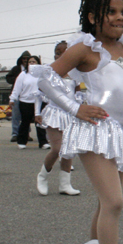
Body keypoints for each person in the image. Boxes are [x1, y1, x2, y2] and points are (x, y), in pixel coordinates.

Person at [36, 0, 123, 244]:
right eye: (112, 12)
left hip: (119, 132)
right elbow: (46, 79)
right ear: (94, 17)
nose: (121, 17)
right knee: (114, 202)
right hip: (95, 129)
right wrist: (75, 108)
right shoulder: (85, 47)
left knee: (105, 202)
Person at [33, 41, 80, 196]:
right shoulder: (50, 72)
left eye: (65, 52)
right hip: (54, 113)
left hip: (70, 114)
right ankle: (42, 176)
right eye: (58, 53)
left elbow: (78, 94)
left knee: (69, 150)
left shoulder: (74, 73)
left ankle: (65, 184)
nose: (60, 56)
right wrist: (37, 113)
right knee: (57, 149)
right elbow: (39, 94)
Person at [9, 55, 49, 150]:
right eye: (30, 62)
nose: (32, 63)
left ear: (38, 63)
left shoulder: (42, 74)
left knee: (40, 122)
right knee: (25, 122)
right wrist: (12, 99)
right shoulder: (23, 74)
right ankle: (22, 141)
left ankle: (43, 142)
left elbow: (47, 87)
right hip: (25, 102)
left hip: (39, 101)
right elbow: (17, 88)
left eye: (34, 61)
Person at [5, 50, 31, 143]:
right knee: (16, 116)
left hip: (27, 96)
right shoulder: (16, 69)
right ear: (21, 59)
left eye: (27, 59)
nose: (25, 60)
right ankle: (15, 134)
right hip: (17, 96)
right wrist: (17, 79)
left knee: (26, 116)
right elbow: (8, 78)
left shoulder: (32, 70)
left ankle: (26, 134)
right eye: (24, 58)